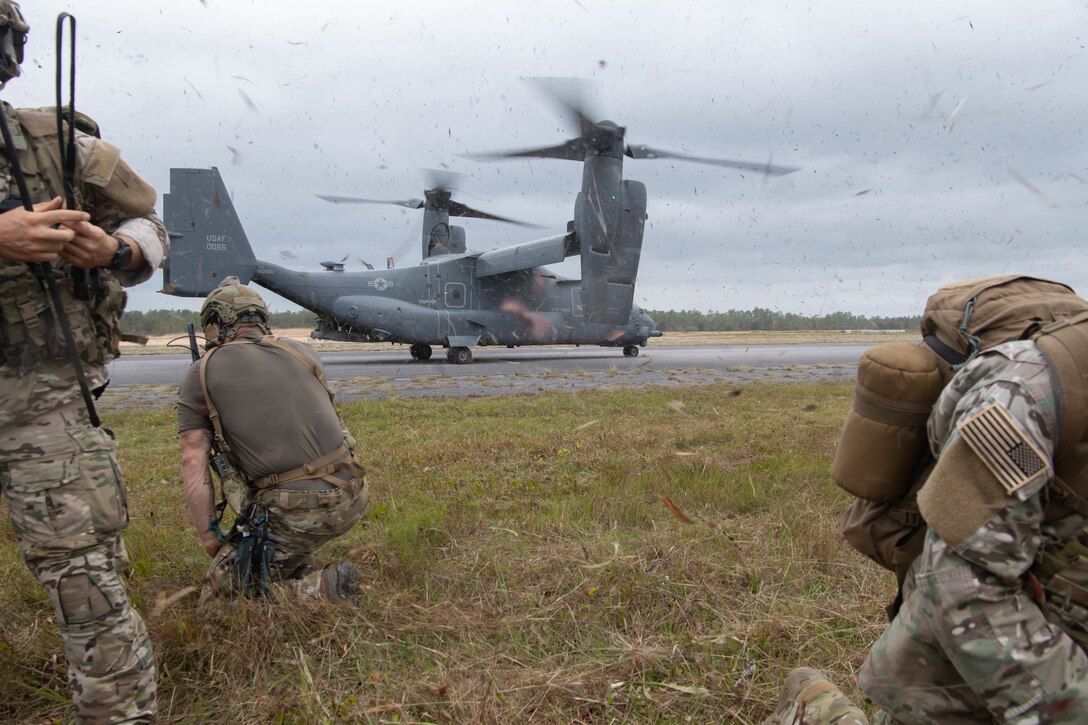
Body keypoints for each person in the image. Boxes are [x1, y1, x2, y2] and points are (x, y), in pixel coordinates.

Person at [0, 2, 165, 722]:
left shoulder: (51, 144)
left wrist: (115, 250)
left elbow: (150, 223)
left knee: (86, 583)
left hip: (41, 396)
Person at [177, 278, 369, 602]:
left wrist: (211, 537)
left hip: (300, 509)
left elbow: (192, 458)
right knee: (271, 538)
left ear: (215, 324)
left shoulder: (202, 372)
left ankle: (319, 590)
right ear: (261, 319)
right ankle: (295, 563)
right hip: (353, 493)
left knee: (217, 602)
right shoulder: (305, 353)